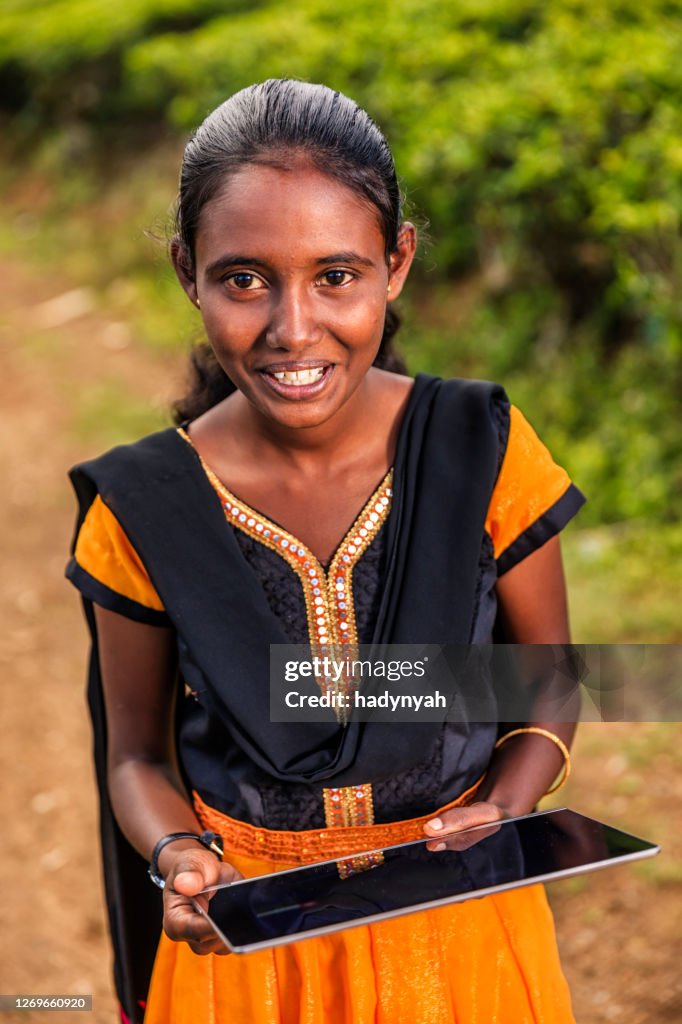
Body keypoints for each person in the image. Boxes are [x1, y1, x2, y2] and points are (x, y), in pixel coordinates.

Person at [66, 79, 585, 1024]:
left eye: (335, 276)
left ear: (398, 263)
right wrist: (181, 857)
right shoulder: (145, 507)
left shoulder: (484, 446)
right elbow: (136, 753)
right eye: (244, 279)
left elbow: (545, 679)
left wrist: (507, 803)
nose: (292, 329)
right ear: (190, 272)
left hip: (458, 929)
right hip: (249, 953)